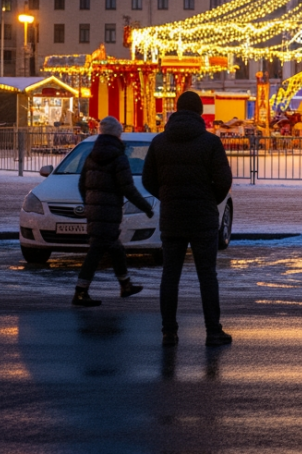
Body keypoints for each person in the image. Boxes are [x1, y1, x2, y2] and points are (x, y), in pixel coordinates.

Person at [143, 91, 234, 347]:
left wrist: (167, 196)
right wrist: (209, 200)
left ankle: (169, 332)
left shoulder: (159, 142)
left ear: (176, 110)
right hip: (203, 218)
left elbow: (148, 180)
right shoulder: (211, 143)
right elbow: (224, 181)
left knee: (170, 276)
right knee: (207, 276)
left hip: (172, 217)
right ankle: (213, 331)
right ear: (200, 113)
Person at [72, 116, 154, 307]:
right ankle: (80, 292)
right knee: (96, 251)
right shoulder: (118, 157)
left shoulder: (91, 156)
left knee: (115, 248)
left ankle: (125, 285)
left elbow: (81, 184)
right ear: (117, 134)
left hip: (95, 211)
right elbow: (128, 188)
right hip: (108, 212)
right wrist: (146, 207)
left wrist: (90, 204)